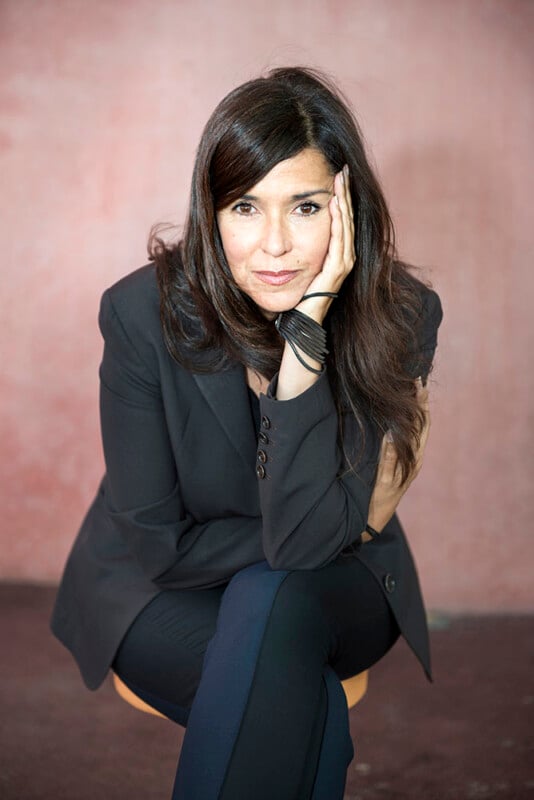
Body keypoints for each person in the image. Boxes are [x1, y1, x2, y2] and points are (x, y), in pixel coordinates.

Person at [51, 66, 443, 799]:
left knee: (276, 600)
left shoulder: (403, 314)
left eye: (304, 207)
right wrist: (345, 518)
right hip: (159, 588)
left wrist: (305, 349)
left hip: (332, 586)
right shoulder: (142, 317)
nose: (274, 247)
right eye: (244, 207)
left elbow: (298, 557)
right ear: (210, 212)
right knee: (296, 695)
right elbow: (162, 546)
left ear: (348, 205)